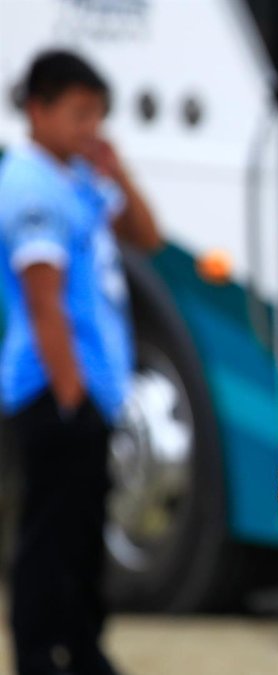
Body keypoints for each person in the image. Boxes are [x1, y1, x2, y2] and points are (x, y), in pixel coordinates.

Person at [0, 50, 161, 675]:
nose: (92, 126)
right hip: (53, 388)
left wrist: (117, 171)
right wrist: (72, 400)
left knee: (84, 529)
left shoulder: (78, 176)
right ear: (37, 110)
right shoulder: (30, 186)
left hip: (91, 387)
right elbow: (45, 304)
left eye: (98, 114)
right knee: (49, 531)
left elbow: (146, 235)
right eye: (79, 112)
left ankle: (84, 646)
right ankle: (39, 653)